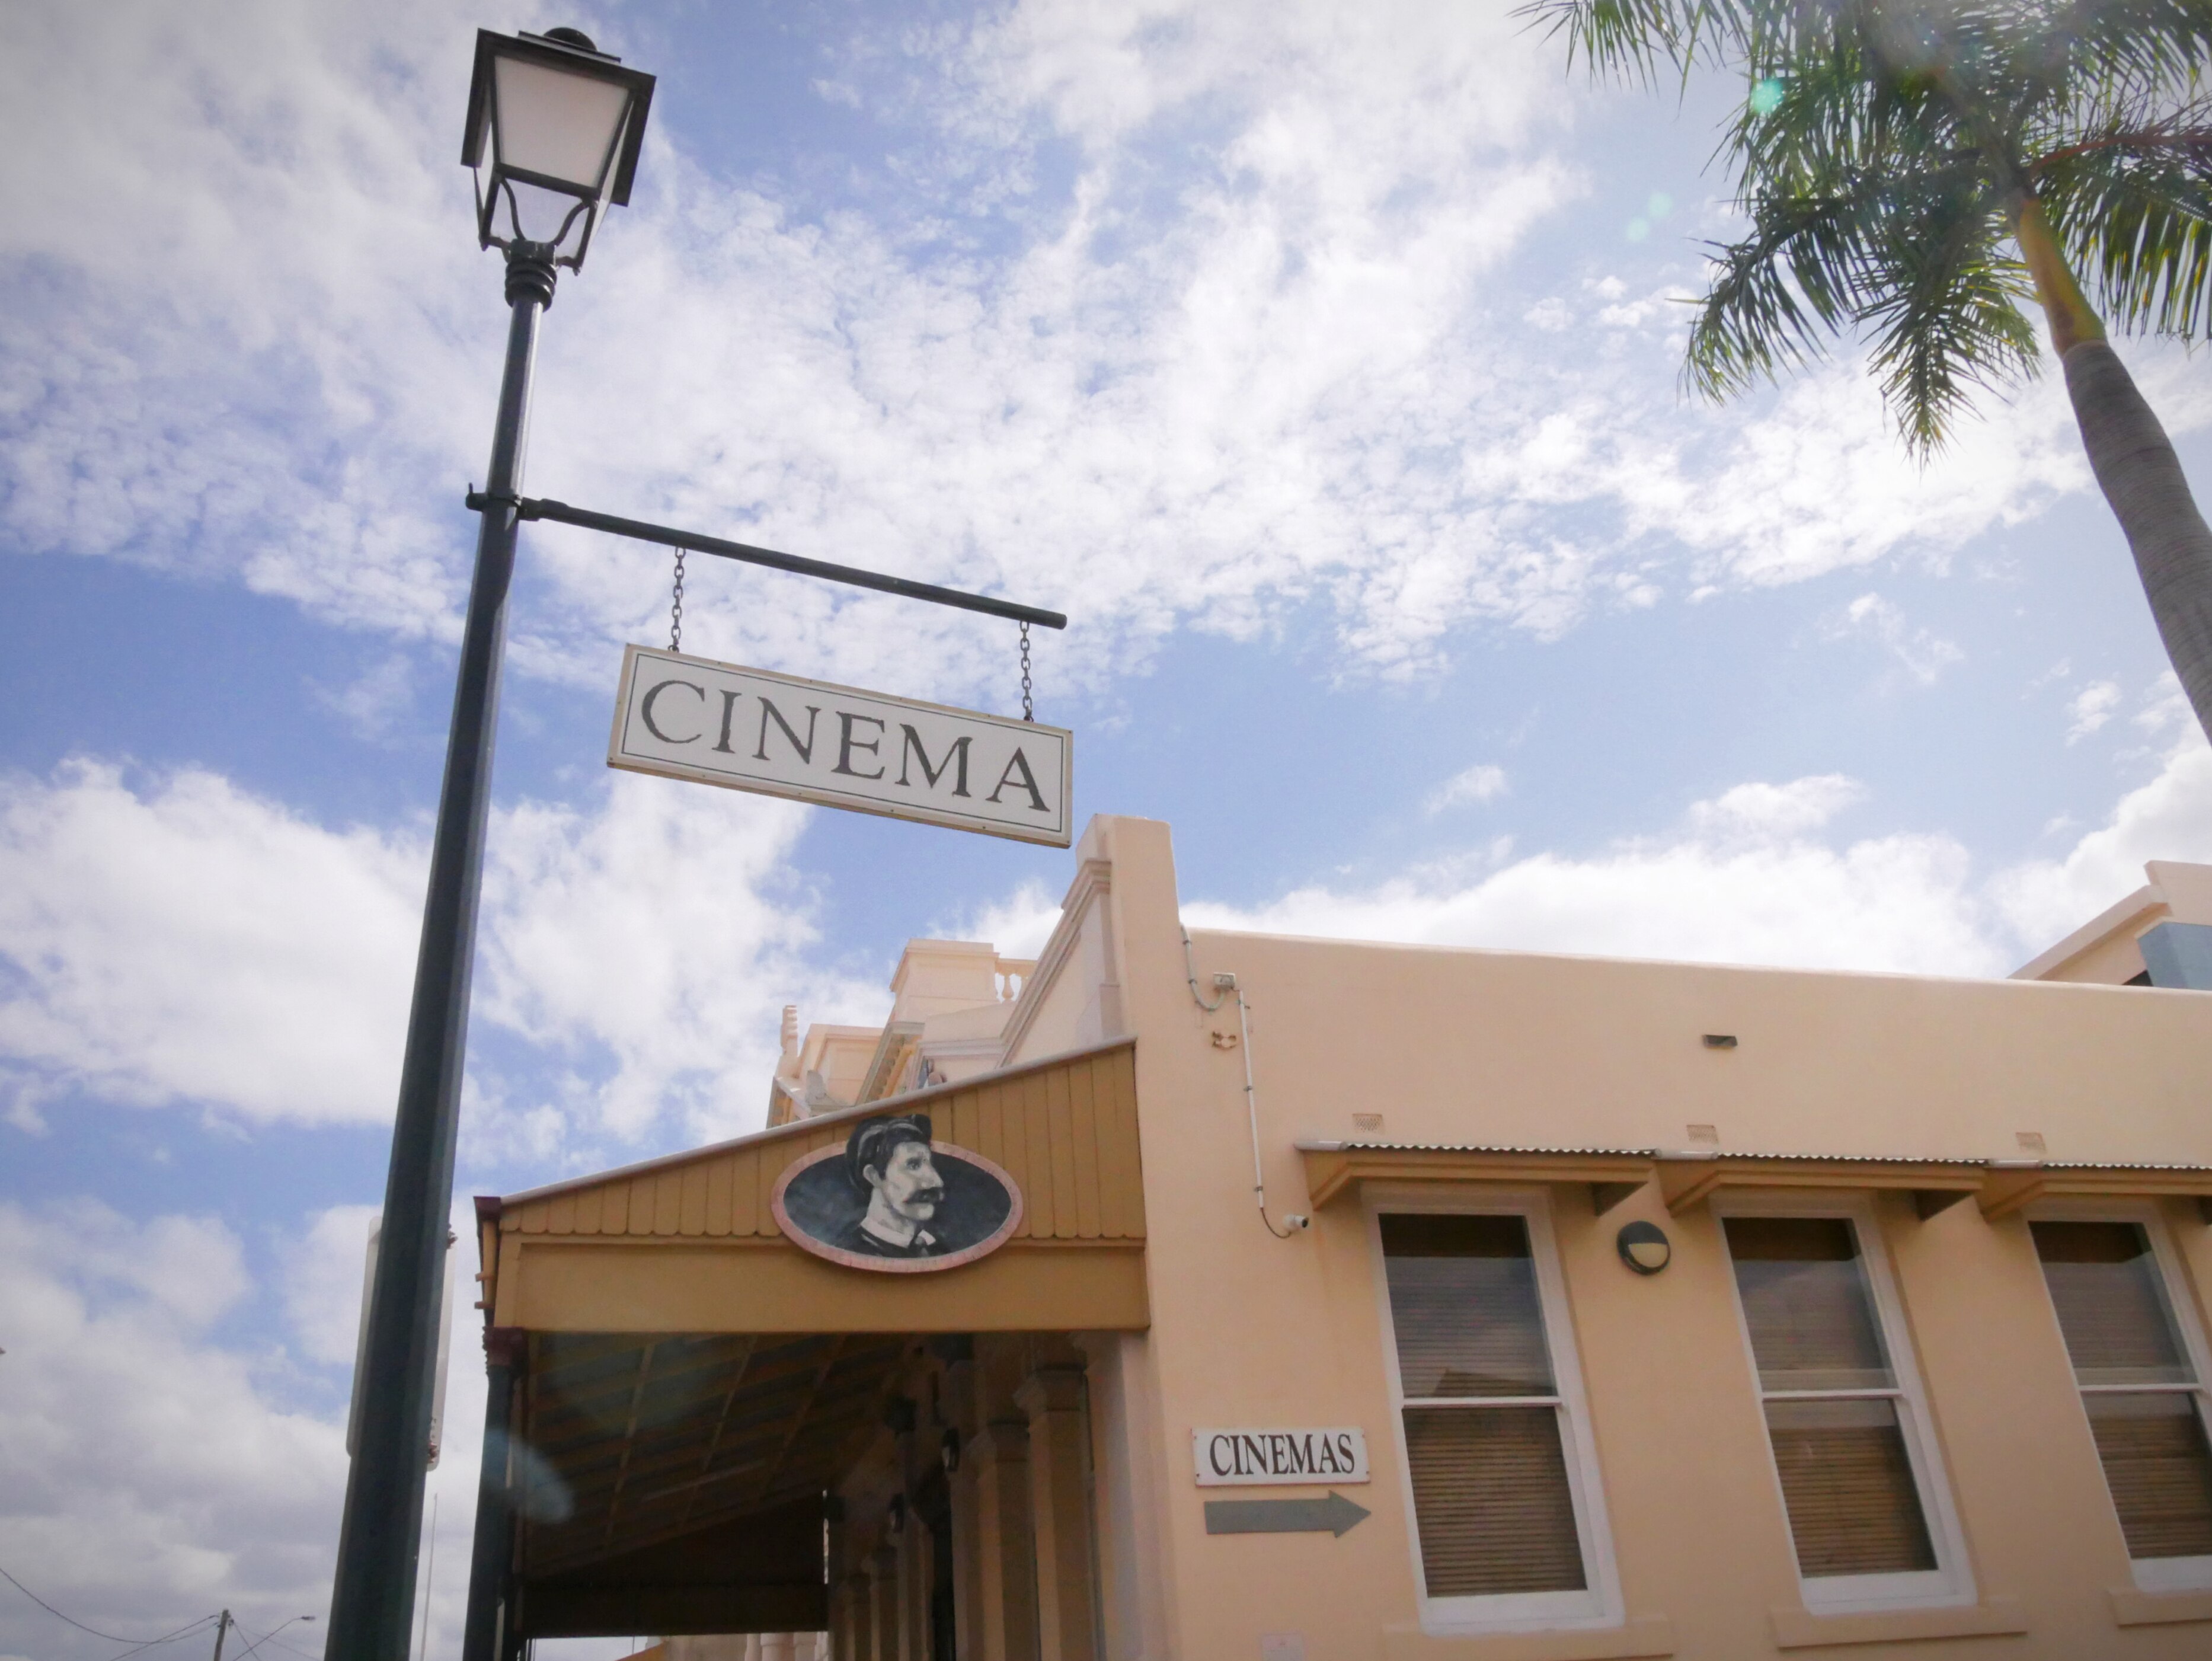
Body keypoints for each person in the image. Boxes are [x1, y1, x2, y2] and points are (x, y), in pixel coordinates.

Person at [831, 1114, 948, 1258]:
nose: (937, 1182)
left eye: (930, 1165)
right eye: (913, 1165)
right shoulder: (849, 1254)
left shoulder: (938, 1250)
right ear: (873, 1176)